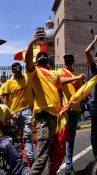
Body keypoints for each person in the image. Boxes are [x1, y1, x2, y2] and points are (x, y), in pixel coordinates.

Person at [25, 33, 85, 174]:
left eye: (44, 56)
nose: (43, 57)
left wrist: (77, 77)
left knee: (53, 155)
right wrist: (30, 44)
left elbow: (62, 80)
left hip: (56, 118)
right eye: (40, 56)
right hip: (44, 117)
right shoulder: (35, 72)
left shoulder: (53, 73)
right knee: (42, 157)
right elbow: (28, 61)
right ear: (37, 61)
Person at [0, 62, 35, 165]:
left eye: (19, 68)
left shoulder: (27, 78)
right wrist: (7, 112)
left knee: (28, 135)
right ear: (12, 71)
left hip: (27, 110)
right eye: (15, 69)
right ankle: (17, 158)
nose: (18, 70)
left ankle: (31, 158)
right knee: (15, 136)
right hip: (14, 113)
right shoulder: (9, 83)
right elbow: (4, 97)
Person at [57, 54, 84, 174]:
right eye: (67, 61)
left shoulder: (76, 73)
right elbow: (62, 81)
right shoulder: (61, 71)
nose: (68, 62)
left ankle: (69, 164)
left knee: (71, 137)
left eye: (70, 60)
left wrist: (83, 82)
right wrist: (77, 77)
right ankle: (58, 162)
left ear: (73, 61)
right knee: (62, 136)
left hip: (75, 109)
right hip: (64, 109)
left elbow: (80, 90)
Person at [0, 104, 30, 175]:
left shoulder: (3, 108)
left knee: (7, 144)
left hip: (1, 139)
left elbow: (14, 115)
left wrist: (10, 120)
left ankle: (21, 170)